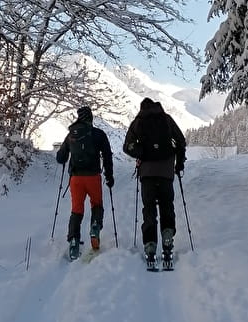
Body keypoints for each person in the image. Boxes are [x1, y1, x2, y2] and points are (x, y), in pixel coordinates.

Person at [123, 98, 186, 266]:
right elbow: (181, 141)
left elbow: (126, 146)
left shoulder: (138, 122)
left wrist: (140, 153)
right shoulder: (166, 119)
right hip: (166, 172)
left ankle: (150, 246)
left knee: (149, 209)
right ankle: (167, 239)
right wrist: (179, 164)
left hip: (147, 174)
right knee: (167, 206)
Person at [56, 106, 114, 260]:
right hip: (93, 177)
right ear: (91, 118)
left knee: (77, 210)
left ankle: (74, 240)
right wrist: (109, 176)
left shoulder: (71, 135)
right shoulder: (98, 134)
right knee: (96, 204)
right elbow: (107, 155)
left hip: (76, 179)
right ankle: (95, 228)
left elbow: (60, 158)